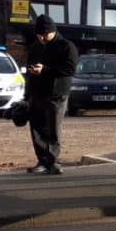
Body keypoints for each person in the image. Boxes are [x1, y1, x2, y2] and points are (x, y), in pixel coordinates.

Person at [24, 15, 78, 175]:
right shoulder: (35, 47)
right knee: (37, 128)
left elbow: (70, 69)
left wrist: (45, 70)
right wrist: (26, 94)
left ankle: (53, 161)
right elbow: (29, 72)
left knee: (53, 128)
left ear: (53, 31)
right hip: (37, 92)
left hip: (57, 93)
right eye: (38, 34)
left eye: (44, 34)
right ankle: (42, 161)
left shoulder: (66, 46)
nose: (41, 37)